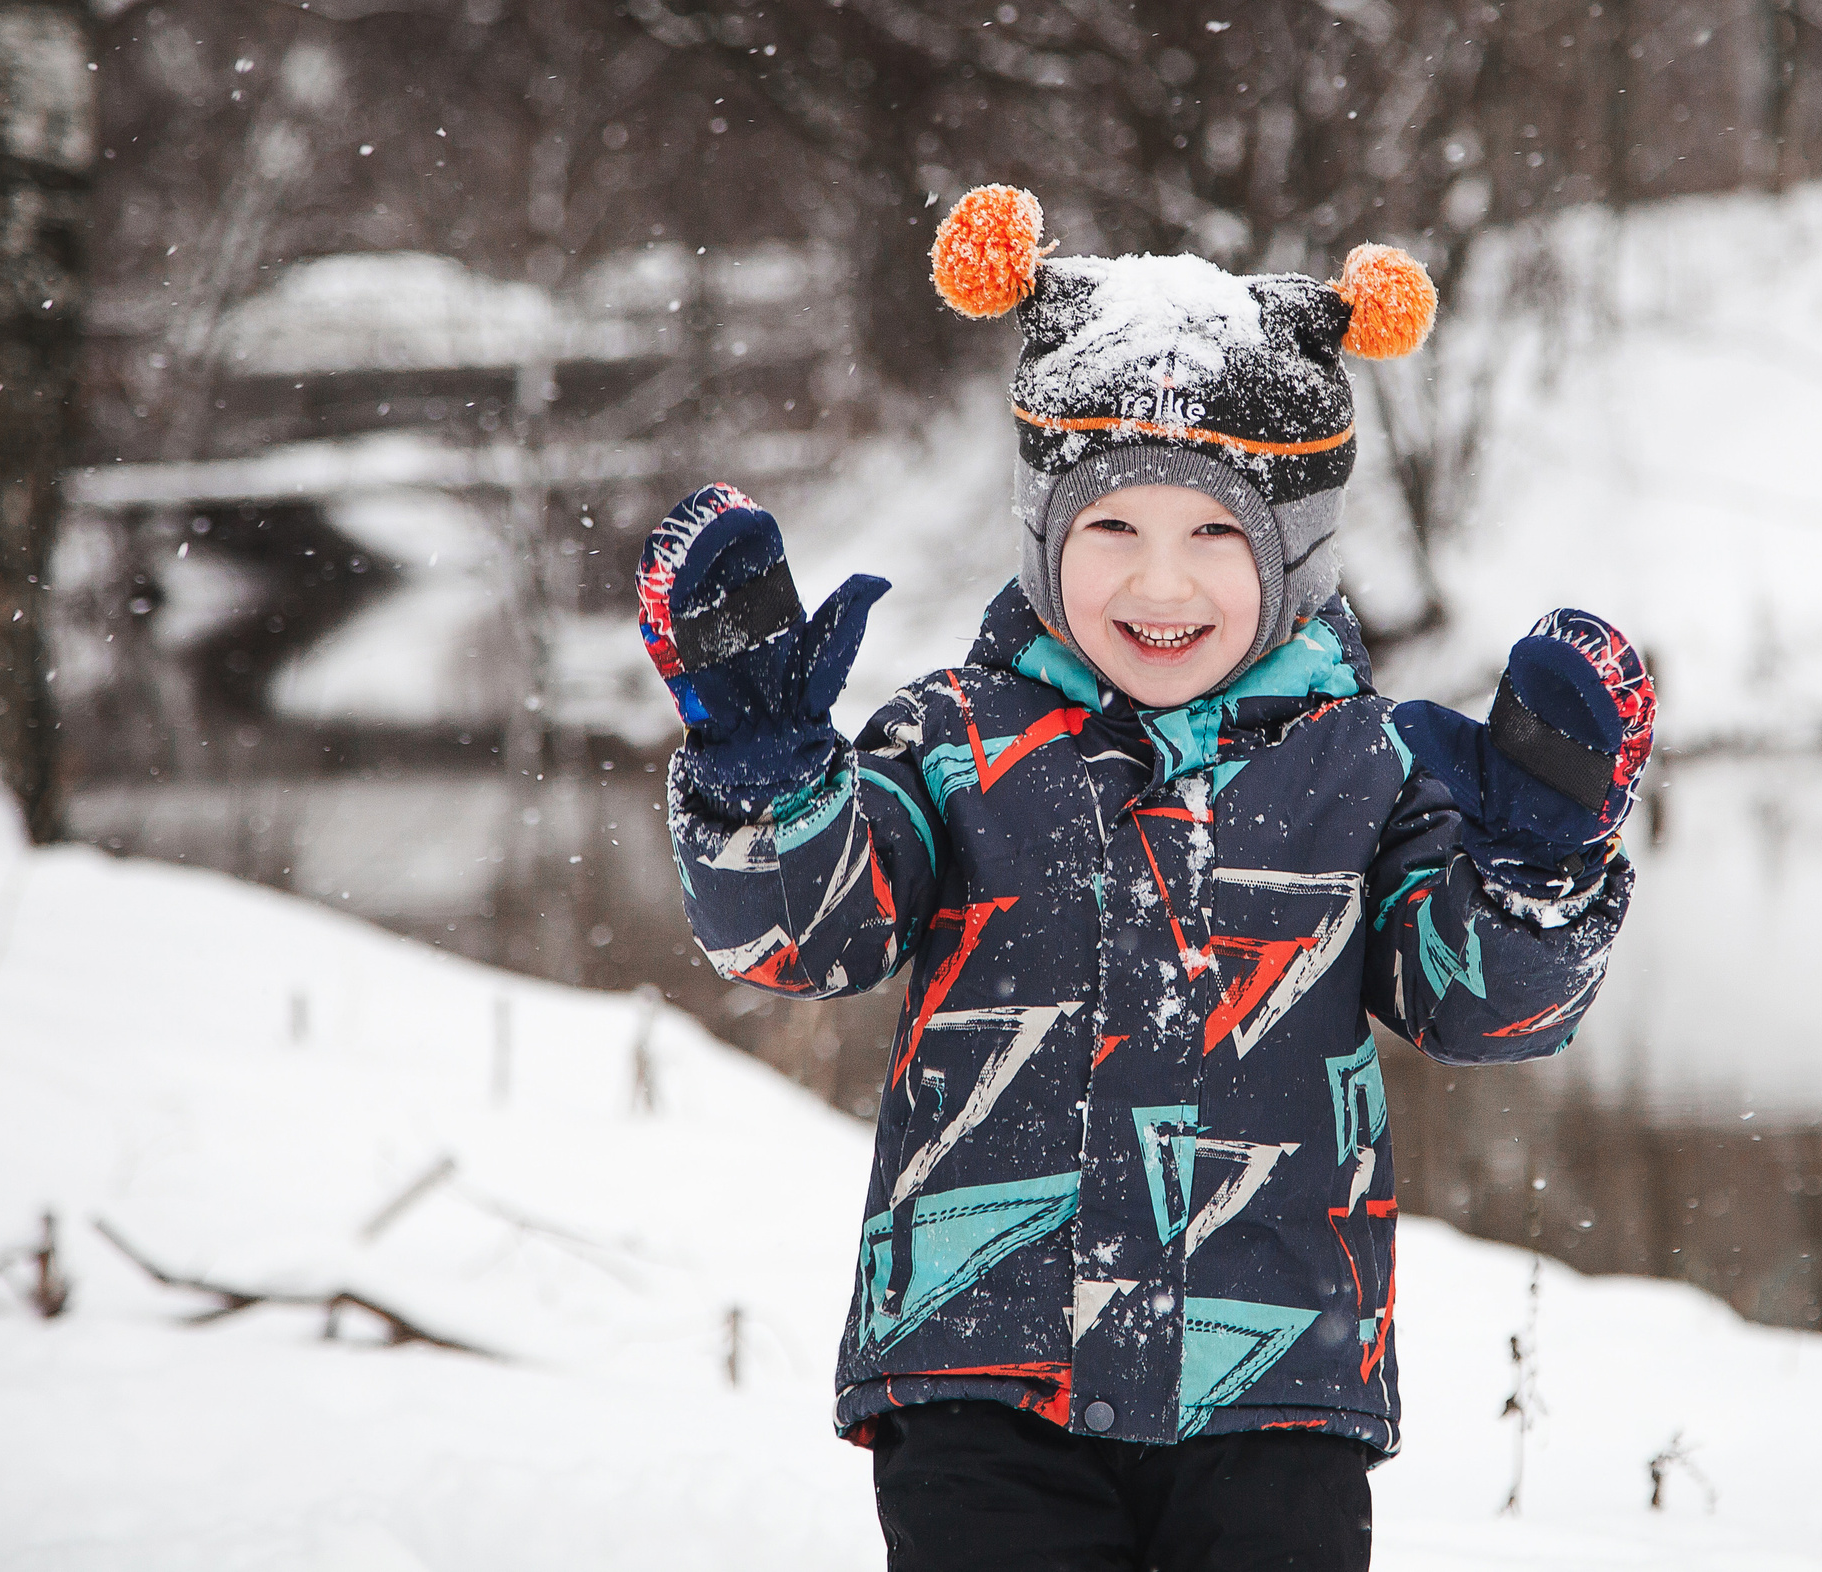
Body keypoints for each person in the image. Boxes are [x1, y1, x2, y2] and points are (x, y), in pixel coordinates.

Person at [635, 185, 1655, 1572]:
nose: (1158, 583)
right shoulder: (953, 739)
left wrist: (1541, 871)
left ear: (1293, 553)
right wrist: (766, 781)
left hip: (1275, 1380)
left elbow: (1483, 1010)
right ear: (1046, 534)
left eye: (1217, 535)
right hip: (981, 1376)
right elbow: (799, 944)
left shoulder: (1364, 772)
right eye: (1111, 529)